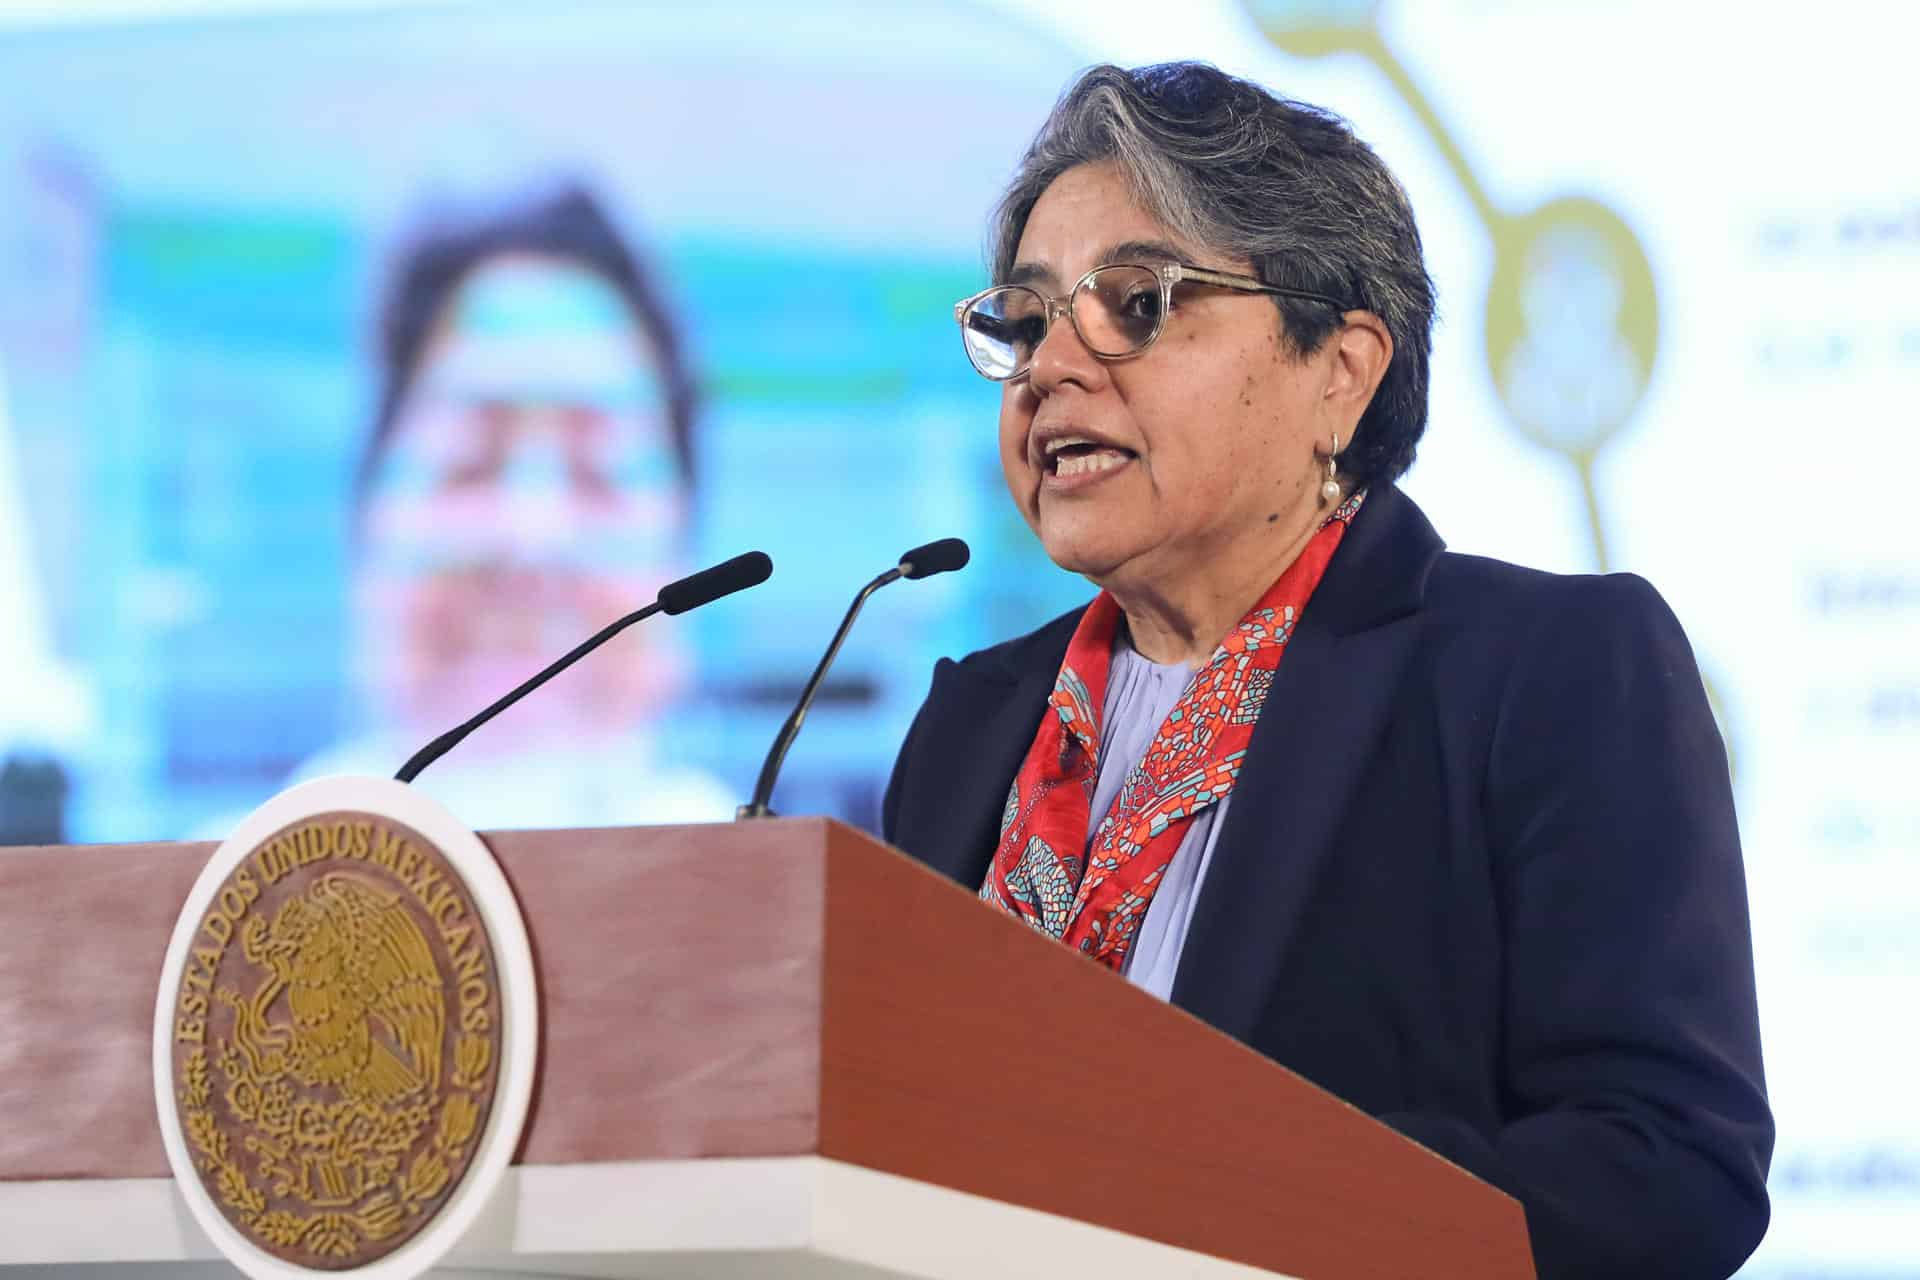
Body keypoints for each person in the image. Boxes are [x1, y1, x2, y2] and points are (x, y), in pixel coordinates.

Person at [882, 63, 1770, 1278]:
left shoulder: (1542, 672)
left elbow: (1668, 1166)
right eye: (1028, 322)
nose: (1050, 369)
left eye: (1135, 303)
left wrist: (1212, 1198)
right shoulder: (973, 721)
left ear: (1340, 372)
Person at [298, 182, 732, 828]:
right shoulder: (216, 883)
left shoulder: (795, 886)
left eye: (597, 474)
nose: (533, 536)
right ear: (364, 523)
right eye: (469, 464)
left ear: (684, 558)